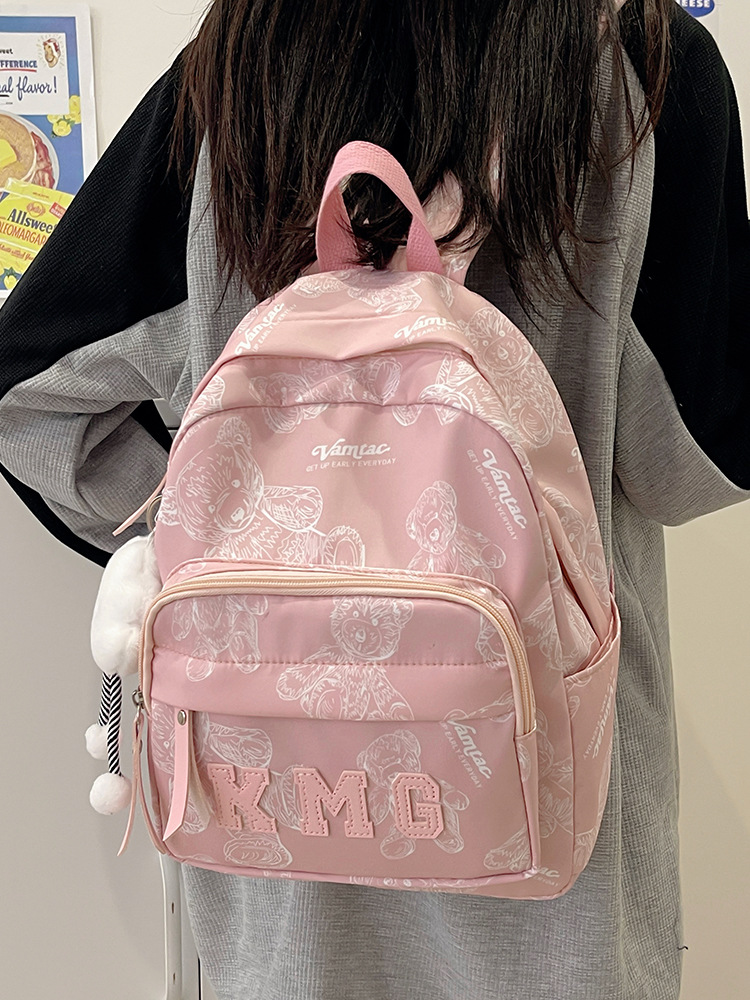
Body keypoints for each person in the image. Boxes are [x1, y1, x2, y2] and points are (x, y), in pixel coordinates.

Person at [0, 2, 748, 998]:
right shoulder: (640, 69)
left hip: (278, 868)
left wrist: (204, 537)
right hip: (556, 890)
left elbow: (32, 396)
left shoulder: (236, 72)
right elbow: (690, 464)